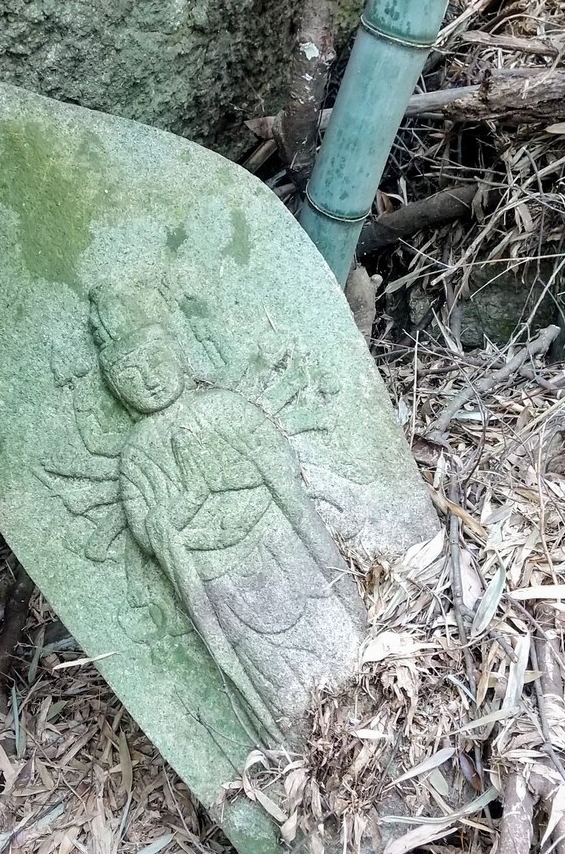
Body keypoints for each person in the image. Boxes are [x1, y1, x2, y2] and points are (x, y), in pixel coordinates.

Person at [87, 284, 366, 743]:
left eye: (154, 363)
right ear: (117, 390)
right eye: (130, 377)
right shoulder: (136, 455)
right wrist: (191, 497)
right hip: (218, 576)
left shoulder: (224, 407)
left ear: (178, 355)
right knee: (270, 666)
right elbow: (148, 528)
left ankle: (366, 691)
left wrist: (226, 478)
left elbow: (277, 469)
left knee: (329, 631)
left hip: (278, 544)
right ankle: (301, 740)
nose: (149, 380)